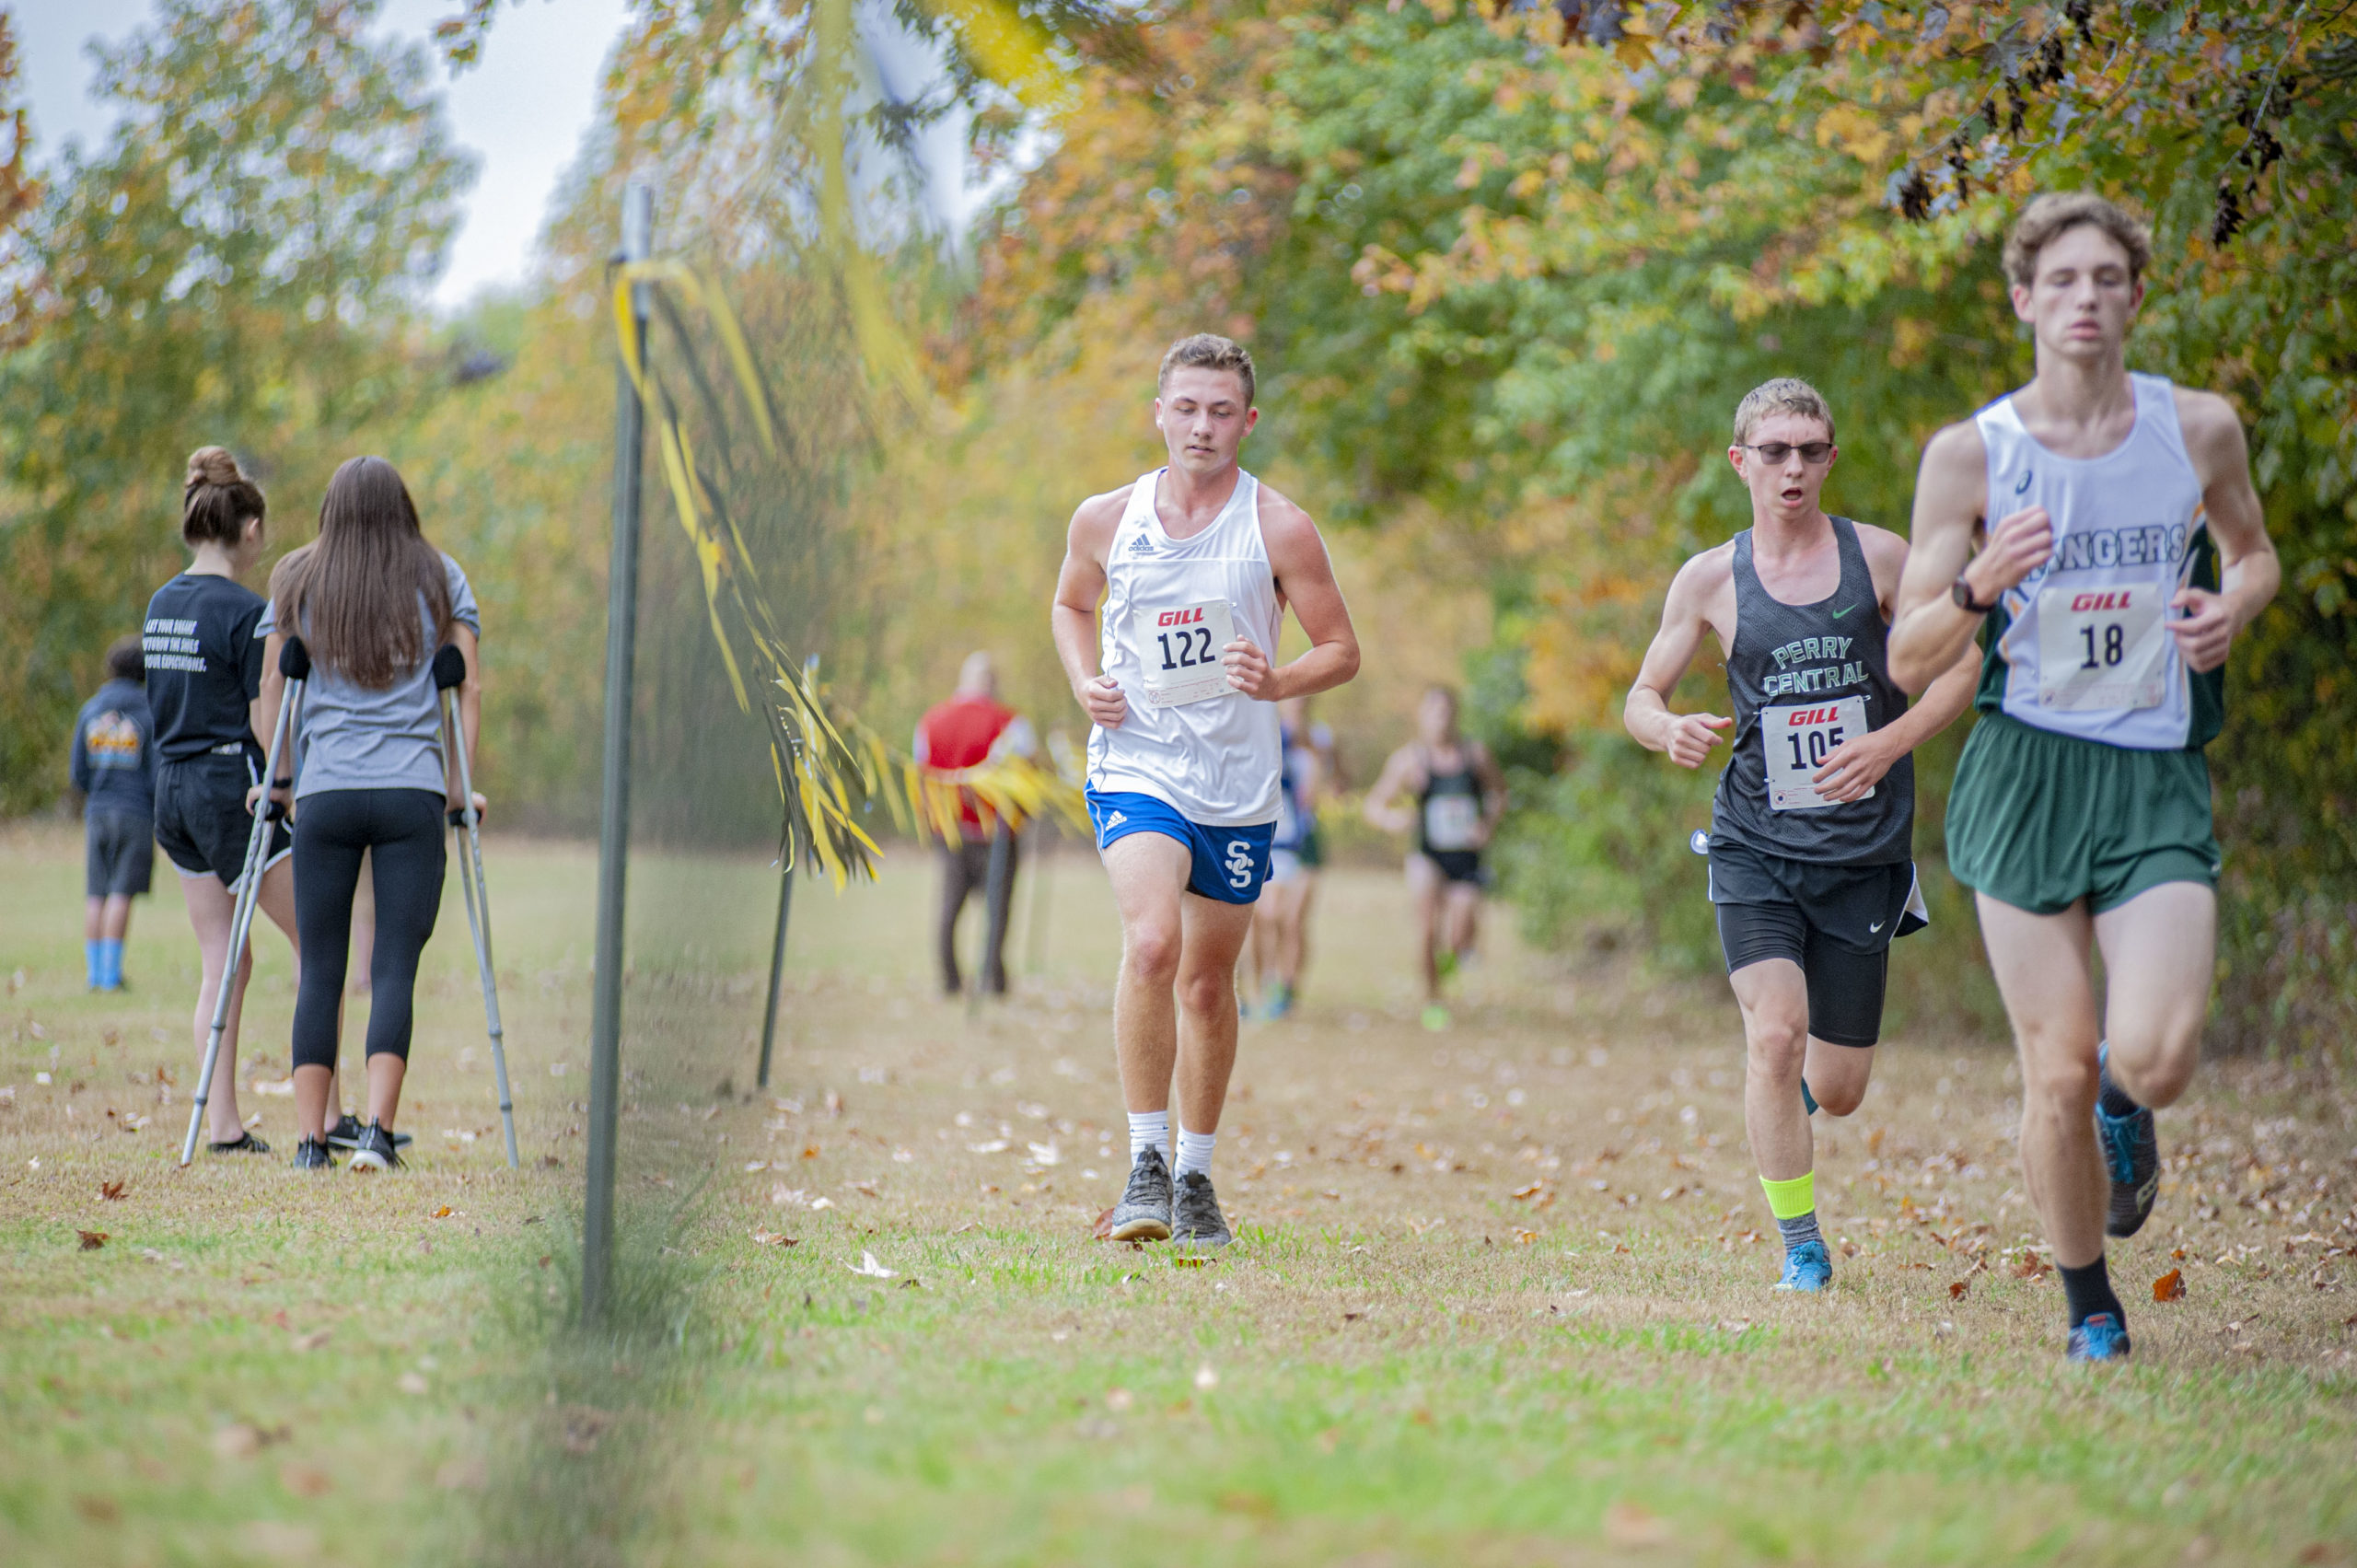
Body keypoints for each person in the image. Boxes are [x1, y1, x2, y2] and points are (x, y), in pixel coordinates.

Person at [1888, 194, 2278, 1362]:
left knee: (2149, 1054)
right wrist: (1973, 588)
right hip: (2022, 776)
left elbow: (2254, 552)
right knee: (2050, 1064)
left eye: (2107, 278)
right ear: (2022, 299)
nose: (2085, 299)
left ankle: (2129, 1110)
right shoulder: (1973, 454)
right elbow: (1907, 653)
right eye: (2060, 280)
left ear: (2136, 297)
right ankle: (2088, 1306)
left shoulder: (2197, 429)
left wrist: (2230, 607)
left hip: (2153, 772)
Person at [1623, 377, 1980, 1294]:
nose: (1792, 467)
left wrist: (1888, 740)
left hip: (1863, 853)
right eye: (1773, 451)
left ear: (1828, 459)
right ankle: (1802, 1247)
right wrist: (1666, 729)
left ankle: (1772, 1109)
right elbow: (1640, 693)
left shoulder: (1884, 559)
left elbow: (1963, 668)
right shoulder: (1709, 577)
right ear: (1740, 461)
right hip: (1753, 843)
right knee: (1774, 1037)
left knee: (1842, 1083)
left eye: (1809, 450)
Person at [1052, 332, 1360, 1248]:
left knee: (1205, 979)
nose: (1201, 425)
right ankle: (1143, 1164)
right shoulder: (1106, 518)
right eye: (1185, 406)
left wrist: (1277, 682)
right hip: (1136, 764)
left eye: (1220, 410)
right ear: (1158, 413)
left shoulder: (1279, 526)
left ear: (1248, 421)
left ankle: (1194, 1174)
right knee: (1151, 943)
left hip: (1235, 785)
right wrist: (1081, 680)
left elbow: (1340, 649)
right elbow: (1071, 603)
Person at [259, 455, 483, 1173]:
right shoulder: (439, 576)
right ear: (403, 506)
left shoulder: (297, 576)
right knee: (393, 966)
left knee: (319, 967)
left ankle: (309, 1143)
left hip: (324, 792)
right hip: (410, 792)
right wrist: (459, 784)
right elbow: (467, 687)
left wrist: (282, 777)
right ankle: (381, 1135)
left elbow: (273, 685)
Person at [141, 447, 309, 1155]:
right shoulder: (252, 612)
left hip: (170, 790)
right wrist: (286, 783)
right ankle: (324, 1120)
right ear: (250, 530)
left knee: (225, 958)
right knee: (319, 939)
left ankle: (223, 1126)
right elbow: (265, 711)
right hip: (227, 789)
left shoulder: (161, 604)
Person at [1364, 686, 1505, 1031]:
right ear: (1422, 716)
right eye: (1433, 712)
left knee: (1460, 933)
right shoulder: (1409, 760)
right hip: (1427, 855)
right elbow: (1374, 805)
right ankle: (1433, 1001)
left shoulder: (1475, 755)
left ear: (1455, 715)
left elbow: (1499, 793)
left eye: (1446, 712)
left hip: (1466, 857)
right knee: (1427, 929)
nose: (1440, 720)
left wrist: (1486, 825)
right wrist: (1394, 819)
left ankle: (1454, 955)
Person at [914, 651, 1037, 996]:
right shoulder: (1011, 722)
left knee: (949, 907)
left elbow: (921, 775)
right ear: (992, 682)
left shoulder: (930, 720)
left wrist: (930, 822)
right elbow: (1030, 773)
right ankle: (990, 980)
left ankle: (950, 980)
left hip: (950, 831)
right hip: (997, 833)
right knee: (997, 912)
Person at [71, 636, 156, 993]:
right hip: (135, 812)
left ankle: (93, 974)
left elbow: (79, 772)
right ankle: (111, 975)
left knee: (97, 892)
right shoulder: (148, 712)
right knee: (122, 892)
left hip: (98, 811)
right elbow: (156, 769)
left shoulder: (90, 710)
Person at [1244, 697, 1326, 1020]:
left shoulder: (1316, 745)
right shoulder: (1261, 738)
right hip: (1271, 842)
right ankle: (1262, 987)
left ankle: (1287, 990)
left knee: (1291, 921)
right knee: (1265, 918)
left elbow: (1316, 793)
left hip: (1302, 844)